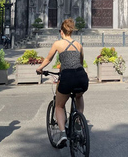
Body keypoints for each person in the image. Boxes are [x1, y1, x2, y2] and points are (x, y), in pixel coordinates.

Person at [36, 18, 89, 148]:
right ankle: (78, 120)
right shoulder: (79, 45)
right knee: (79, 96)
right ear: (71, 31)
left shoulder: (58, 44)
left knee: (59, 106)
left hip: (68, 77)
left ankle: (62, 133)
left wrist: (39, 69)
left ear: (62, 32)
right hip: (81, 77)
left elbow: (48, 59)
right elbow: (80, 63)